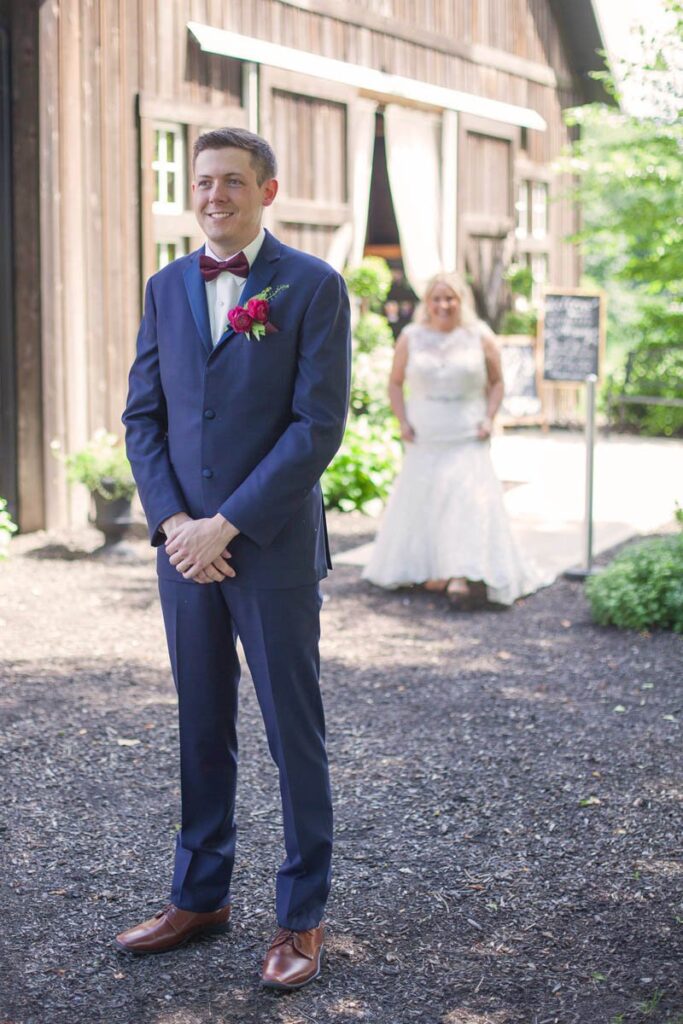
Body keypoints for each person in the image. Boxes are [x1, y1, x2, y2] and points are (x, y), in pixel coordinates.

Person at [118, 127, 351, 991]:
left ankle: (301, 917)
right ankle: (200, 895)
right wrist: (177, 522)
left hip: (272, 547)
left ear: (268, 191)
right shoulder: (166, 285)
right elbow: (143, 416)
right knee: (201, 726)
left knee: (294, 734)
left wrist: (229, 524)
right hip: (183, 553)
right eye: (204, 182)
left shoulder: (313, 286)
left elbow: (315, 427)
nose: (215, 196)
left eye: (233, 183)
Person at [362, 272, 539, 606]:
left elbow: (498, 382)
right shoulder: (411, 337)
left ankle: (461, 573)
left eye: (450, 298)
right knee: (425, 499)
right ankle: (431, 568)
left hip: (467, 431)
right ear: (427, 303)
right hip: (425, 431)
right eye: (437, 299)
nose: (443, 305)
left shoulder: (480, 335)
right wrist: (402, 421)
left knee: (465, 500)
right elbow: (395, 383)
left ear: (461, 301)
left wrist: (489, 417)